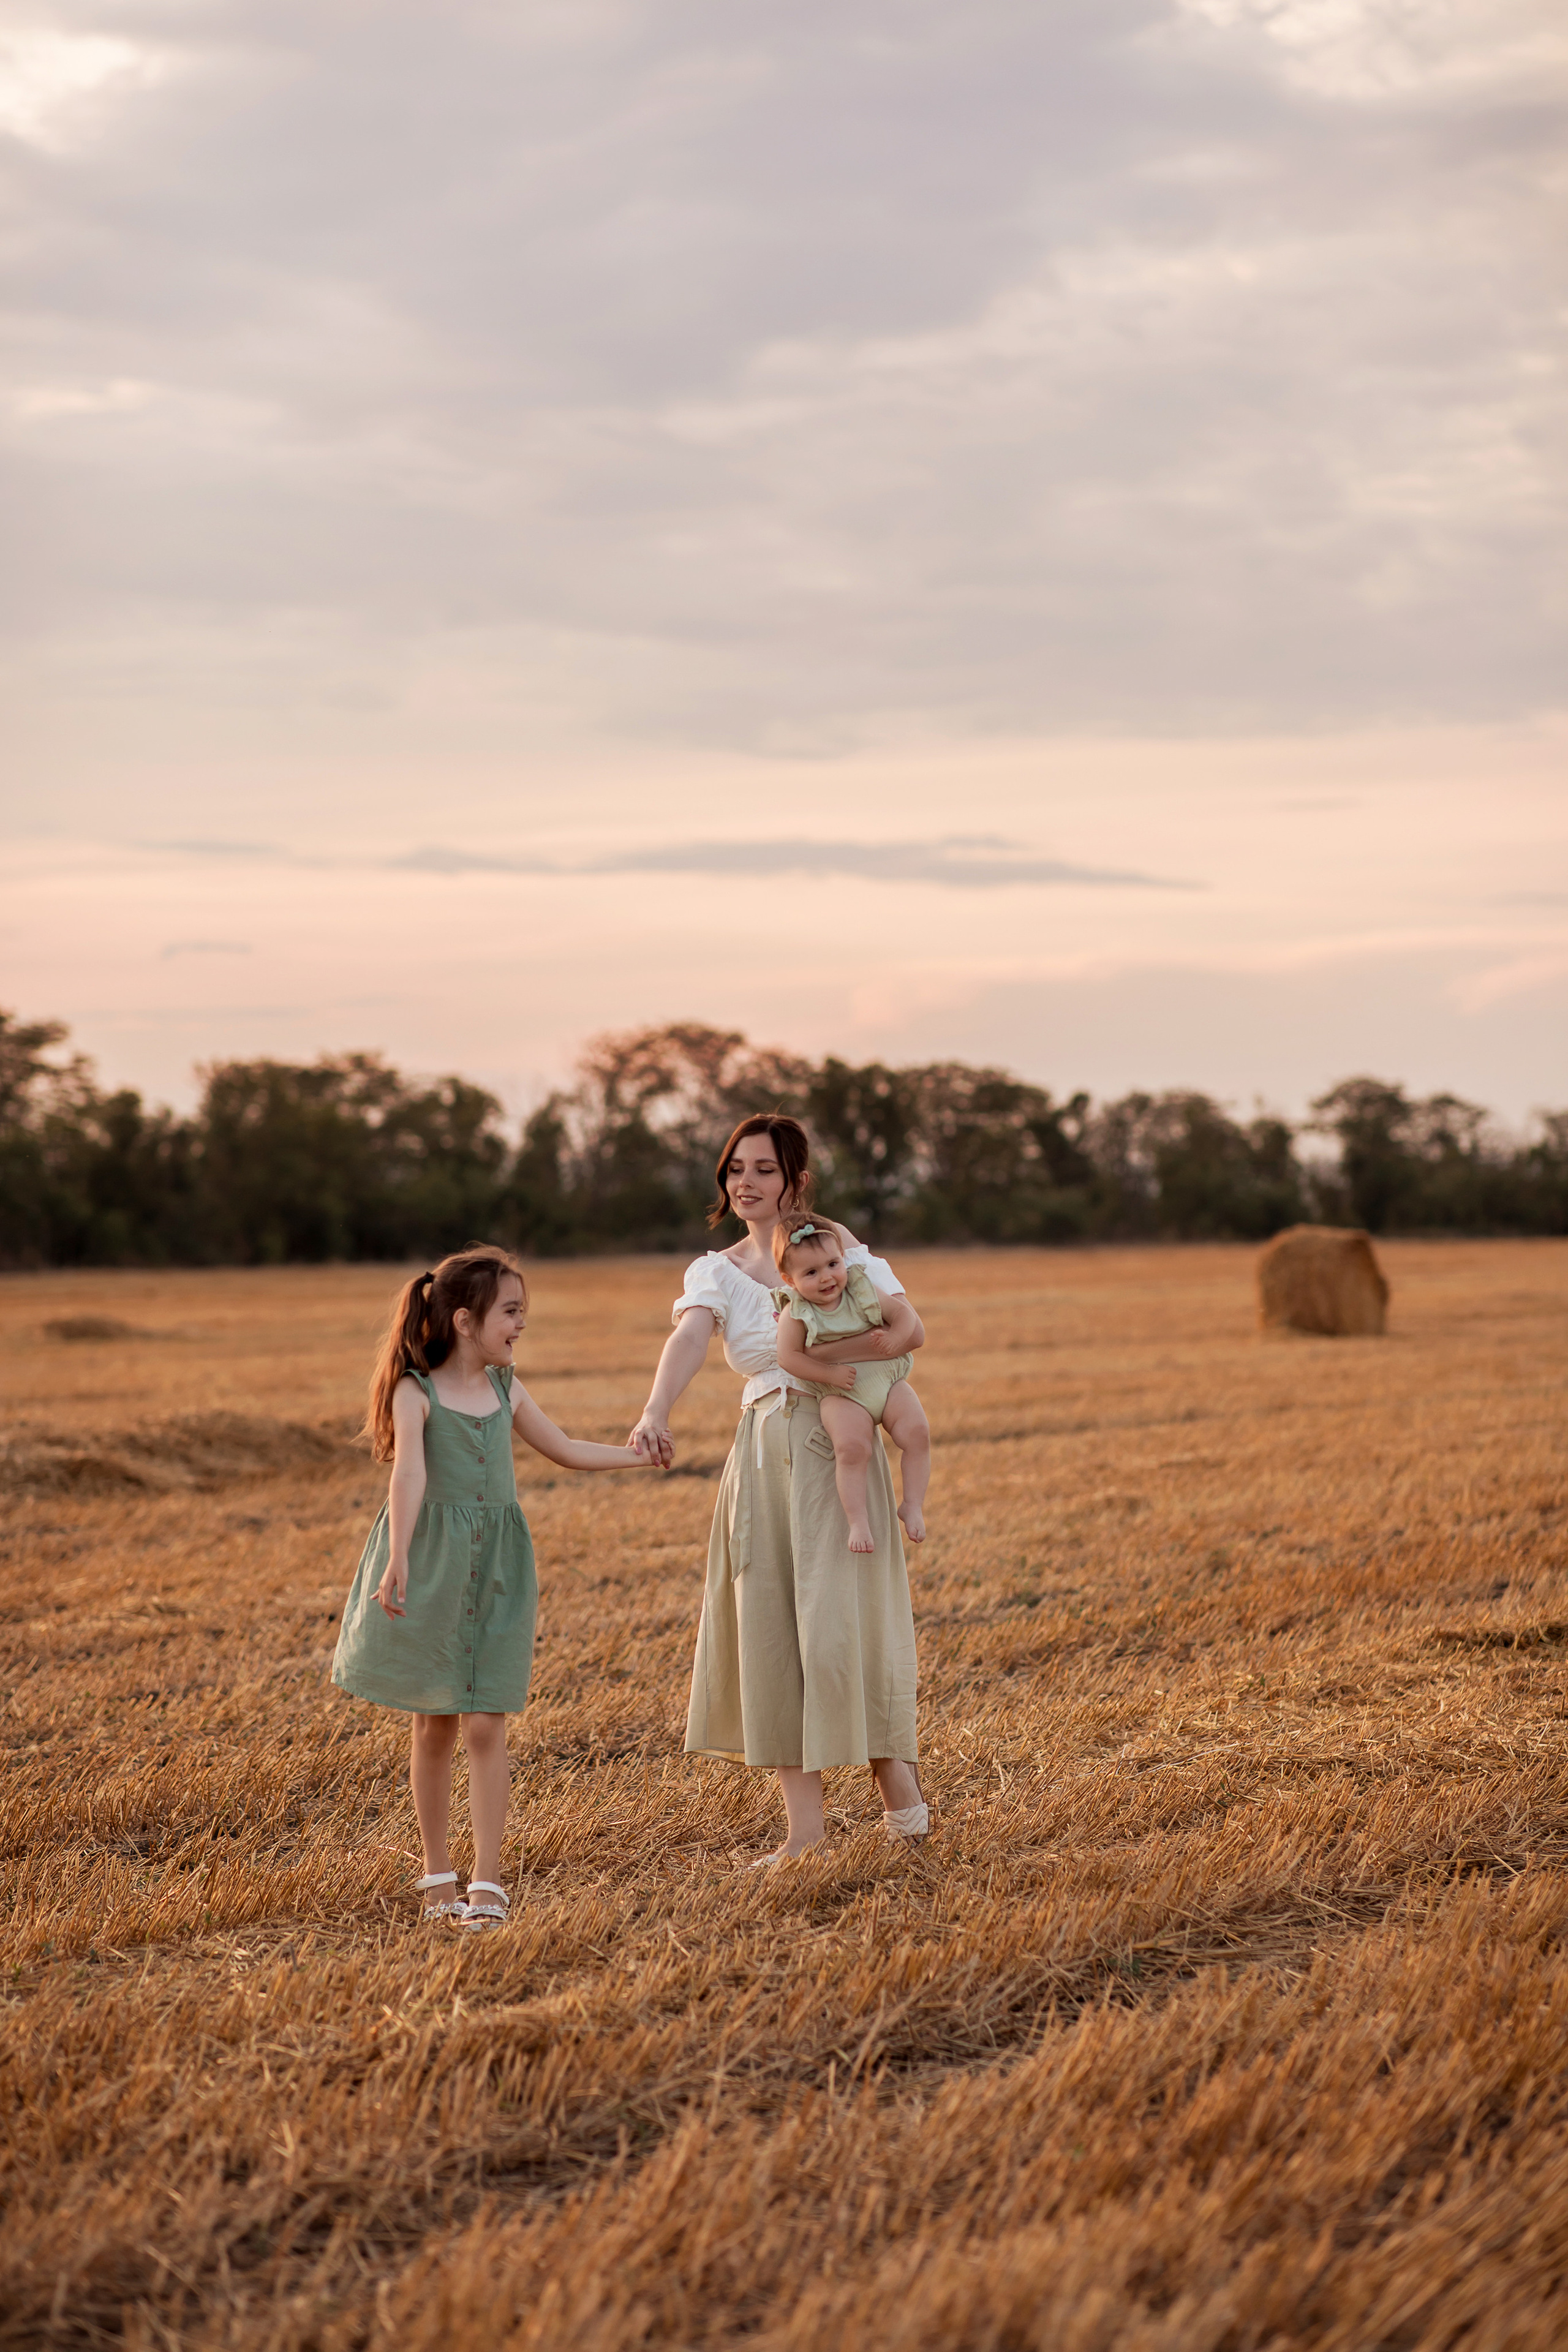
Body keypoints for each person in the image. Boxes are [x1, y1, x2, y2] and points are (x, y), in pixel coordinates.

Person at [629, 1117, 929, 1860]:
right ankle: (805, 1836)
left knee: (842, 1626)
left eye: (762, 1169)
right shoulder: (716, 1271)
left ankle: (907, 1817)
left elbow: (900, 1331)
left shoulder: (838, 1252)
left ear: (795, 1178)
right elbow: (691, 1338)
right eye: (734, 1170)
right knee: (771, 1633)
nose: (745, 1183)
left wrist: (830, 1365)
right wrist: (654, 1409)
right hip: (762, 1454)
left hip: (836, 1448)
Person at [332, 1245, 655, 1929]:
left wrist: (635, 1454)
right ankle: (436, 1877)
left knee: (486, 1722)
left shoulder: (508, 1390)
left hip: (500, 1568)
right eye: (511, 1313)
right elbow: (409, 1476)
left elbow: (564, 1449)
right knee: (434, 1723)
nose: (520, 1325)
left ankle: (487, 1882)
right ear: (464, 1321)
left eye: (522, 1313)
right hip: (434, 1562)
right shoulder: (415, 1391)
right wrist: (398, 1559)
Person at [771, 1214, 931, 1550]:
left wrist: (896, 1338)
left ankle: (913, 1504)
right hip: (840, 1393)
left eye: (833, 1264)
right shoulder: (796, 1312)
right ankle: (858, 1522)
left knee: (917, 1432)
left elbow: (905, 1316)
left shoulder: (861, 1289)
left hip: (887, 1379)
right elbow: (789, 1357)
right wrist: (829, 1374)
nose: (827, 1277)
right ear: (790, 1279)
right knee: (852, 1449)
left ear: (844, 1259)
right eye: (811, 1273)